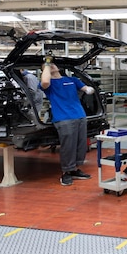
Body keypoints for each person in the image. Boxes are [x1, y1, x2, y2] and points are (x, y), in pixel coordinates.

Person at [40, 54, 95, 186]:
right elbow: (45, 81)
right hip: (63, 118)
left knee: (81, 145)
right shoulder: (49, 84)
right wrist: (47, 64)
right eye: (47, 66)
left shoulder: (72, 80)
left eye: (53, 64)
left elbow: (86, 89)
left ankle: (75, 169)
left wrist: (89, 89)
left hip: (80, 116)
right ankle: (66, 172)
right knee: (68, 146)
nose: (52, 65)